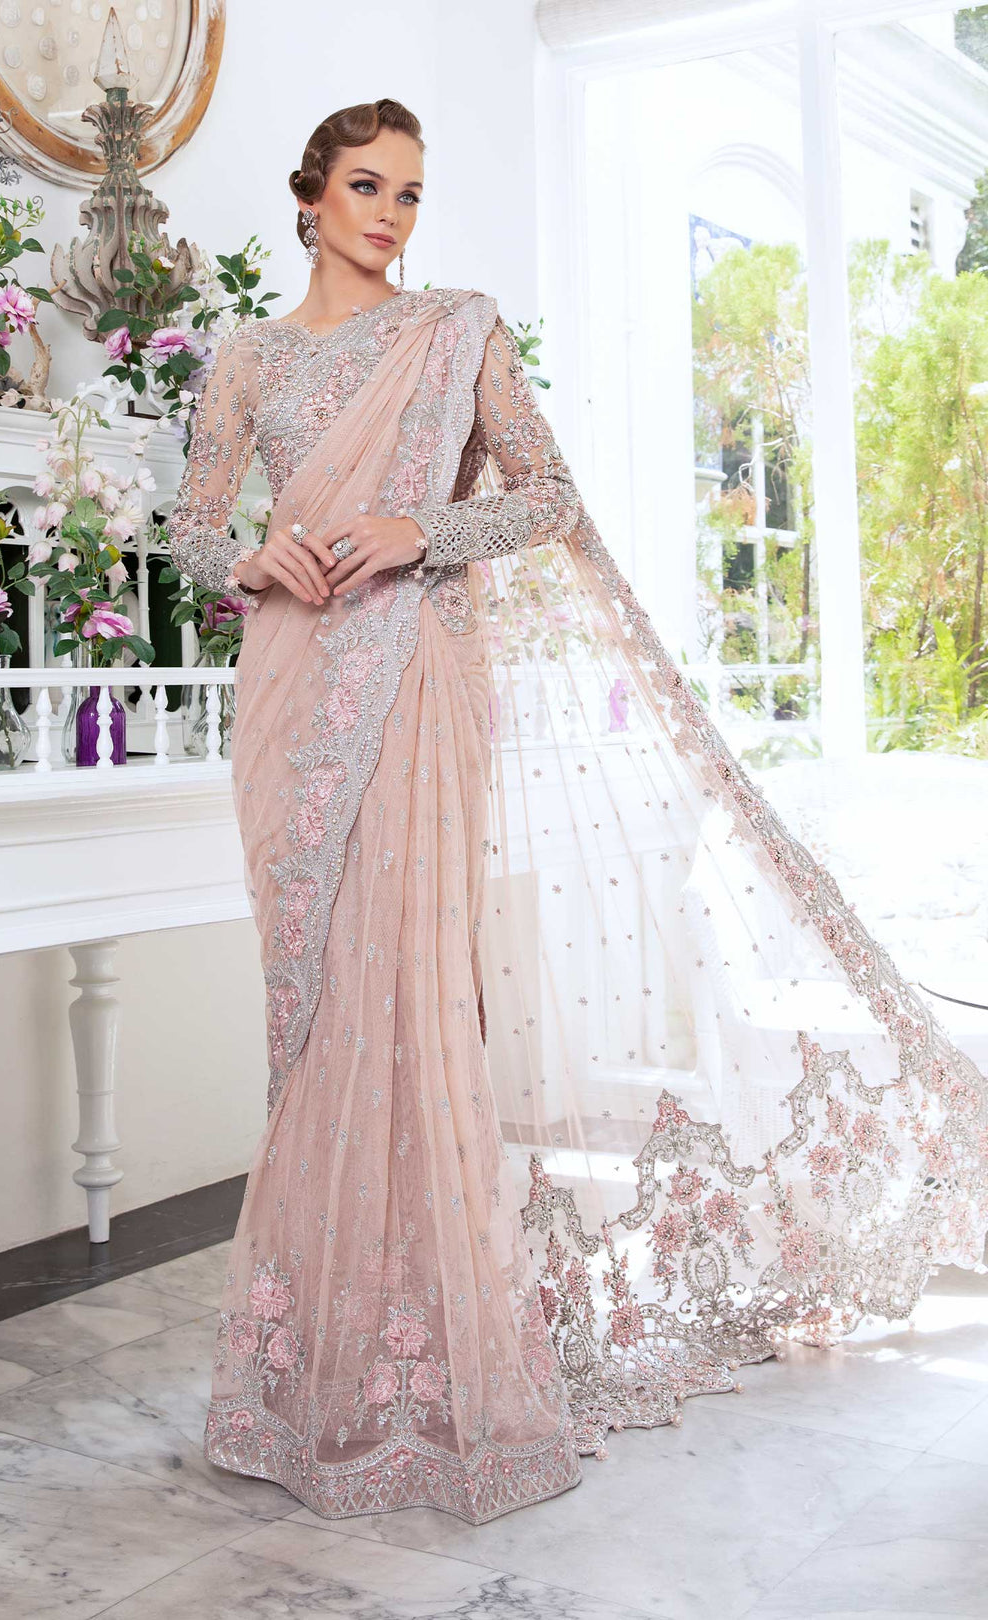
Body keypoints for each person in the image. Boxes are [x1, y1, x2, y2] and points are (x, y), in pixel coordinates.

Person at [167, 98, 988, 1525]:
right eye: (366, 187)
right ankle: (311, 1372)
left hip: (419, 680)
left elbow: (546, 496)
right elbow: (190, 531)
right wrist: (253, 562)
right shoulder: (249, 358)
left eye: (411, 194)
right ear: (310, 197)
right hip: (292, 697)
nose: (390, 216)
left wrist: (421, 529)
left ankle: (436, 1367)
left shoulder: (457, 331)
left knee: (410, 1001)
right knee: (319, 1015)